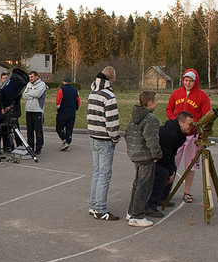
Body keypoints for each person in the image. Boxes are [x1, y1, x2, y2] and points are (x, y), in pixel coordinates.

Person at [166, 69, 211, 204]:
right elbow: (169, 109)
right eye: (186, 80)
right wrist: (175, 121)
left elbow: (207, 116)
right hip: (177, 135)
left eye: (191, 81)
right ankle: (166, 192)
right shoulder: (176, 93)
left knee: (190, 165)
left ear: (195, 81)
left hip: (193, 136)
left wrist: (202, 136)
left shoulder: (202, 96)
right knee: (172, 162)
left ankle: (186, 192)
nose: (188, 83)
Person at [145, 112, 194, 217]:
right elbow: (164, 156)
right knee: (163, 173)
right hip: (152, 157)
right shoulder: (170, 134)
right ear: (180, 122)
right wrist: (170, 172)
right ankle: (150, 205)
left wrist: (172, 170)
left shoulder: (181, 135)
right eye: (189, 124)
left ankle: (162, 198)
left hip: (163, 156)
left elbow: (172, 153)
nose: (191, 127)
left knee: (172, 169)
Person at [125, 90, 162, 228]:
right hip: (145, 156)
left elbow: (127, 133)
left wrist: (132, 149)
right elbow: (152, 139)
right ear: (150, 102)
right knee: (143, 185)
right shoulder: (151, 119)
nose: (157, 103)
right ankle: (137, 215)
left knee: (137, 184)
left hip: (135, 154)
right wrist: (156, 154)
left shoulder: (135, 116)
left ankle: (131, 210)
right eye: (156, 101)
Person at [87, 66, 120, 221]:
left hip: (93, 136)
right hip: (105, 139)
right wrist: (115, 138)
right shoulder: (109, 96)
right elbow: (112, 122)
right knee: (104, 175)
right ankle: (100, 209)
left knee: (97, 172)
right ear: (111, 79)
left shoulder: (92, 92)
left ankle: (93, 204)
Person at [22, 71, 47, 154]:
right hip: (29, 110)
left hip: (37, 110)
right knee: (29, 130)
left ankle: (39, 147)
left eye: (32, 77)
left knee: (38, 130)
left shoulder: (42, 85)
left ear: (36, 77)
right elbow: (24, 95)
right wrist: (32, 94)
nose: (30, 79)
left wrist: (30, 93)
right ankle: (30, 146)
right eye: (29, 77)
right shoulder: (28, 84)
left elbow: (38, 94)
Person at [56, 76, 80, 151]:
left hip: (63, 111)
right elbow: (78, 102)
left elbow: (58, 101)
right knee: (69, 128)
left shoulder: (61, 90)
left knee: (59, 128)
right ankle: (68, 142)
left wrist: (58, 109)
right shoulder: (75, 90)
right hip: (72, 112)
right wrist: (75, 109)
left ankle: (64, 141)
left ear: (64, 82)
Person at [0, 72, 11, 153]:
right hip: (0, 113)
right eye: (3, 78)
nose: (5, 80)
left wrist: (8, 108)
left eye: (6, 78)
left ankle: (7, 147)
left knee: (7, 132)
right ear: (1, 79)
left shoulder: (11, 89)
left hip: (7, 113)